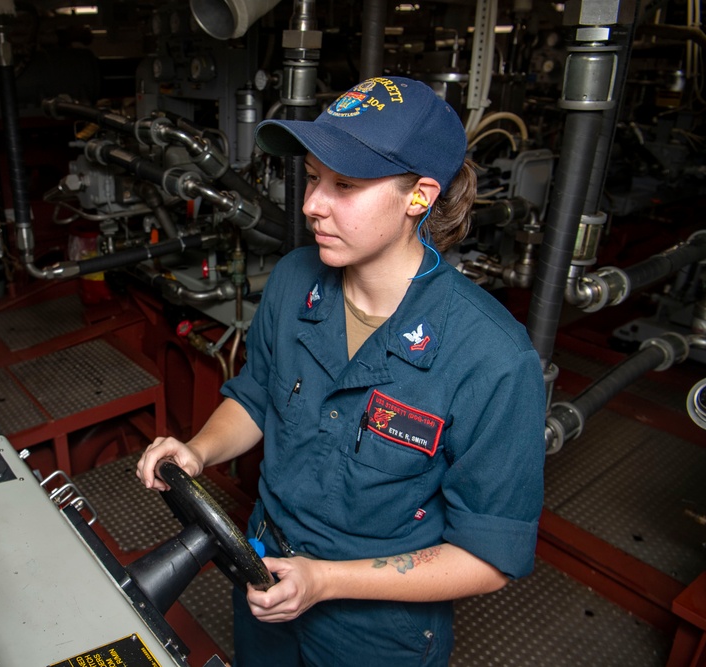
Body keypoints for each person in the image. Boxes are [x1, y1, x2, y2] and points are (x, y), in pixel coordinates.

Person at [136, 76, 546, 666]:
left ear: (419, 196)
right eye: (314, 177)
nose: (310, 205)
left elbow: (487, 559)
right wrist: (199, 451)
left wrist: (325, 580)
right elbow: (256, 400)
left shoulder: (492, 358)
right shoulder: (296, 279)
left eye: (345, 185)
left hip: (378, 631)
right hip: (263, 572)